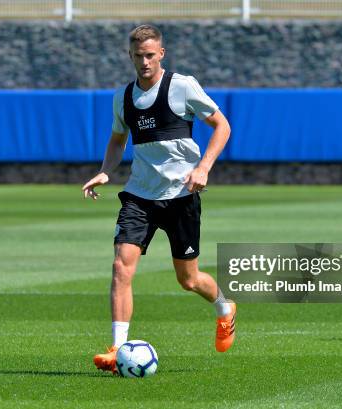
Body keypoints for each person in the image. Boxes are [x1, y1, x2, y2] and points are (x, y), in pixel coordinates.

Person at [81, 24, 234, 374]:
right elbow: (118, 139)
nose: (144, 61)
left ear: (161, 54)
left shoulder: (182, 86)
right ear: (130, 56)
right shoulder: (123, 97)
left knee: (189, 280)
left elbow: (222, 126)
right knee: (121, 266)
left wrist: (203, 168)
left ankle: (225, 308)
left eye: (150, 55)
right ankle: (117, 349)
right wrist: (106, 170)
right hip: (140, 196)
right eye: (138, 56)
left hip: (182, 196)